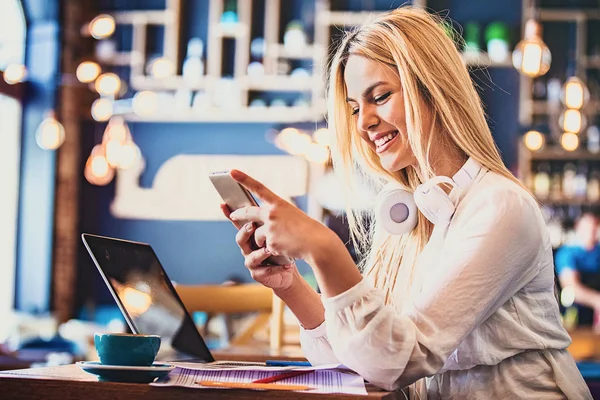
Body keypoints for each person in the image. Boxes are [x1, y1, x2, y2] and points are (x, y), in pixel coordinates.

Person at [221, 6, 591, 399]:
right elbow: (358, 363)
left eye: (379, 97)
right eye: (355, 108)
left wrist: (324, 247)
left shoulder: (500, 207)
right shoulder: (406, 214)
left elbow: (394, 362)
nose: (363, 123)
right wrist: (291, 285)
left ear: (434, 88)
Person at [556, 213, 600, 329]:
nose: (591, 231)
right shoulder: (567, 253)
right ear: (578, 227)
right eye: (588, 227)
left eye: (595, 227)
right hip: (575, 316)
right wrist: (597, 301)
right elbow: (571, 287)